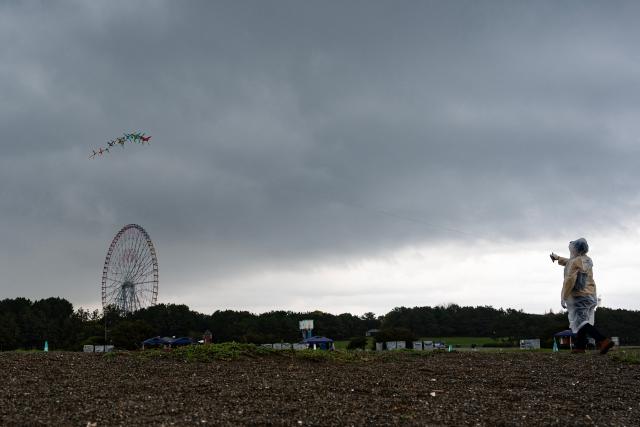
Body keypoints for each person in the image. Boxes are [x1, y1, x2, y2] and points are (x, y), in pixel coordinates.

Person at [550, 238, 614, 354]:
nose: (571, 251)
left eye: (572, 249)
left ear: (576, 249)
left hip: (580, 296)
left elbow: (569, 279)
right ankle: (580, 346)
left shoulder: (574, 262)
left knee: (581, 322)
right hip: (591, 294)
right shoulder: (587, 260)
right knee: (582, 321)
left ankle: (603, 340)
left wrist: (564, 297)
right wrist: (558, 258)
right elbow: (570, 262)